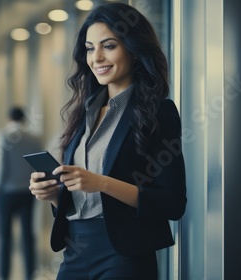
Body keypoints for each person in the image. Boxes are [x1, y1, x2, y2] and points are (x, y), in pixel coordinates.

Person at [28, 3, 186, 279]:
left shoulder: (158, 112)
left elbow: (173, 203)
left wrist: (101, 183)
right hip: (75, 250)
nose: (96, 57)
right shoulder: (83, 113)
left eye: (109, 46)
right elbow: (81, 201)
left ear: (134, 49)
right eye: (90, 48)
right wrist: (54, 195)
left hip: (124, 256)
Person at [0, 107, 42, 280]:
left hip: (6, 192)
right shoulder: (34, 138)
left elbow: (0, 164)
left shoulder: (1, 136)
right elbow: (37, 163)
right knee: (28, 236)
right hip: (27, 191)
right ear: (24, 119)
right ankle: (30, 274)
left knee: (5, 237)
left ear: (8, 118)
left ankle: (4, 275)